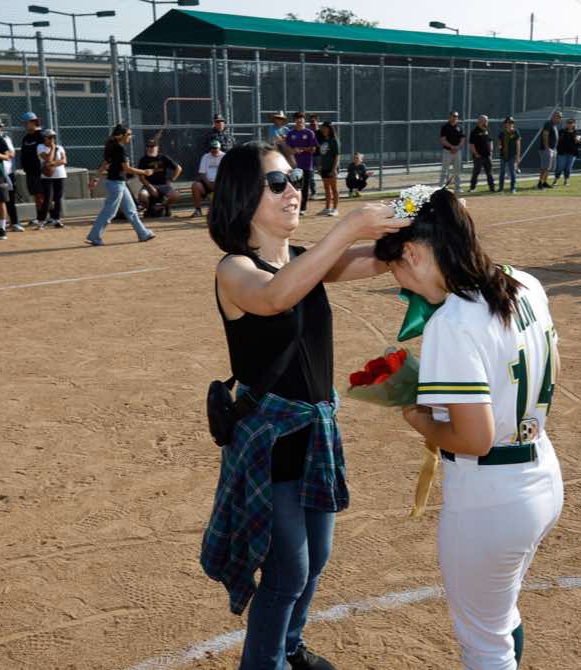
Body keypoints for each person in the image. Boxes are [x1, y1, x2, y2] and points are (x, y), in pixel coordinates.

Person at [202, 141, 409, 670]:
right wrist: (350, 226)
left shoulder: (301, 260)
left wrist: (420, 214)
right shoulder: (234, 269)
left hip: (313, 434)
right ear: (243, 196)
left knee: (316, 559)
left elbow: (376, 260)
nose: (292, 190)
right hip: (270, 442)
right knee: (287, 572)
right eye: (277, 183)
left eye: (294, 179)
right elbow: (276, 296)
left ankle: (289, 648)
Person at [373, 187, 563, 670]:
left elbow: (474, 438)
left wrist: (417, 418)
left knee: (485, 646)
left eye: (395, 269)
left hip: (490, 495)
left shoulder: (453, 320)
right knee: (499, 616)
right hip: (540, 471)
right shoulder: (522, 281)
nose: (400, 284)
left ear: (412, 254)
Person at [85, 124, 156, 246]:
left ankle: (143, 233)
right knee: (109, 212)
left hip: (119, 183)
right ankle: (94, 236)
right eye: (128, 134)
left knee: (131, 211)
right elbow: (126, 168)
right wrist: (144, 172)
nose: (130, 136)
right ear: (120, 136)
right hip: (116, 184)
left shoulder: (113, 147)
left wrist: (96, 178)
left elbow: (104, 164)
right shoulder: (119, 148)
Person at [137, 139, 182, 218]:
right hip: (149, 185)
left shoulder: (163, 157)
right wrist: (151, 187)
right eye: (148, 146)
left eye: (152, 146)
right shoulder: (143, 160)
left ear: (157, 147)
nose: (150, 148)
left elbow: (179, 168)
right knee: (142, 195)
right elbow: (141, 178)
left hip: (164, 185)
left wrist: (172, 179)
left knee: (176, 195)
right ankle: (149, 209)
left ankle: (163, 207)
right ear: (146, 148)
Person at [285, 112, 319, 214]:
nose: (299, 121)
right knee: (293, 188)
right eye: (297, 119)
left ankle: (302, 209)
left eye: (301, 119)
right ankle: (294, 207)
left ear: (304, 120)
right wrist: (293, 150)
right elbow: (287, 148)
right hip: (293, 165)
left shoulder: (309, 133)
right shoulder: (291, 133)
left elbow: (313, 149)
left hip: (306, 165)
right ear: (294, 121)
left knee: (304, 187)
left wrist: (302, 149)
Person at [0, 117, 23, 232]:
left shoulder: (5, 138)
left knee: (10, 198)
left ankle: (14, 222)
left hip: (6, 172)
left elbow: (12, 154)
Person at [37, 129, 68, 229]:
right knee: (48, 199)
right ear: (44, 138)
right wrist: (53, 148)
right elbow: (48, 159)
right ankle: (41, 221)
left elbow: (64, 161)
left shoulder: (60, 147)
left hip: (60, 175)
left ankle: (56, 219)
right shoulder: (40, 147)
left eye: (53, 137)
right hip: (47, 177)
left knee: (58, 198)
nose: (52, 139)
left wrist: (53, 163)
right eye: (50, 137)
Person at [20, 112, 46, 226]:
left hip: (40, 170)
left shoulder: (41, 136)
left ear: (35, 122)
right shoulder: (26, 138)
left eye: (28, 122)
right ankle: (39, 217)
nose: (25, 125)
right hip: (30, 170)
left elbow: (47, 152)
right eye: (24, 123)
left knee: (43, 194)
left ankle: (49, 216)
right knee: (36, 194)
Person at [191, 140, 224, 218]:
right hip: (207, 183)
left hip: (221, 184)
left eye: (216, 148)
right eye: (212, 148)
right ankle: (198, 210)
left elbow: (227, 173)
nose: (214, 150)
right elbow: (202, 173)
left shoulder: (225, 157)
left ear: (219, 148)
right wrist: (209, 184)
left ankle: (223, 210)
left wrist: (218, 183)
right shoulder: (205, 157)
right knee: (195, 185)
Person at [317, 121, 340, 217]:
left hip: (332, 168)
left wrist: (333, 169)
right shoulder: (323, 140)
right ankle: (327, 208)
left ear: (330, 129)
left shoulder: (334, 141)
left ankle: (335, 209)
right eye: (322, 128)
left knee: (334, 189)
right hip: (324, 168)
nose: (324, 130)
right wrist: (320, 166)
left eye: (325, 128)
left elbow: (337, 156)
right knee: (326, 188)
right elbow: (321, 155)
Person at [439, 111, 464, 193]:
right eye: (454, 116)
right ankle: (441, 188)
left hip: (457, 151)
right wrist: (451, 147)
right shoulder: (445, 127)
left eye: (457, 116)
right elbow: (443, 140)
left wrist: (457, 147)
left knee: (457, 171)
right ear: (450, 116)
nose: (455, 117)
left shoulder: (459, 127)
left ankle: (458, 188)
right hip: (447, 151)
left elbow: (462, 139)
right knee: (445, 171)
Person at [469, 115, 495, 193]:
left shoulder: (487, 130)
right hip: (478, 156)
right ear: (479, 121)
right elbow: (471, 144)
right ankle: (472, 188)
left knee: (489, 173)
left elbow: (490, 141)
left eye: (487, 121)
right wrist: (476, 154)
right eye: (484, 121)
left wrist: (491, 151)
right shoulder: (474, 132)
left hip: (487, 156)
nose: (486, 122)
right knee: (476, 172)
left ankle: (492, 188)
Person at [554, 118, 581, 187]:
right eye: (568, 123)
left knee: (568, 168)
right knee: (560, 167)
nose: (569, 124)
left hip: (572, 153)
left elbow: (579, 144)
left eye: (571, 123)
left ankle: (566, 181)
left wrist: (578, 141)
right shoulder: (561, 131)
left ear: (574, 124)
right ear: (566, 124)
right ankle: (556, 180)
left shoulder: (577, 133)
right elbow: (557, 141)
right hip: (562, 153)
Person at [536, 110, 562, 189]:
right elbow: (545, 135)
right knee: (545, 167)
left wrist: (554, 150)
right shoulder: (548, 124)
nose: (560, 118)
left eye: (561, 117)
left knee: (549, 168)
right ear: (553, 117)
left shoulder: (554, 125)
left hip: (553, 149)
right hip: (546, 150)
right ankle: (540, 183)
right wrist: (547, 148)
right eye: (558, 117)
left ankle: (544, 182)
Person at [497, 116, 521, 194]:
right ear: (505, 124)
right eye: (509, 122)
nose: (510, 124)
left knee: (512, 172)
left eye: (512, 122)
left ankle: (513, 188)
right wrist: (500, 146)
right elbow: (499, 143)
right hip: (503, 155)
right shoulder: (502, 133)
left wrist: (518, 156)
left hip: (512, 155)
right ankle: (501, 188)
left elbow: (518, 144)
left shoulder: (515, 132)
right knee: (502, 172)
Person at [308, 114, 321, 200]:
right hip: (310, 156)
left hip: (319, 156)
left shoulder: (321, 132)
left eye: (314, 121)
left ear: (317, 122)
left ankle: (330, 192)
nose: (312, 123)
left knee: (324, 174)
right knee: (310, 176)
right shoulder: (309, 132)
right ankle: (314, 193)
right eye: (311, 122)